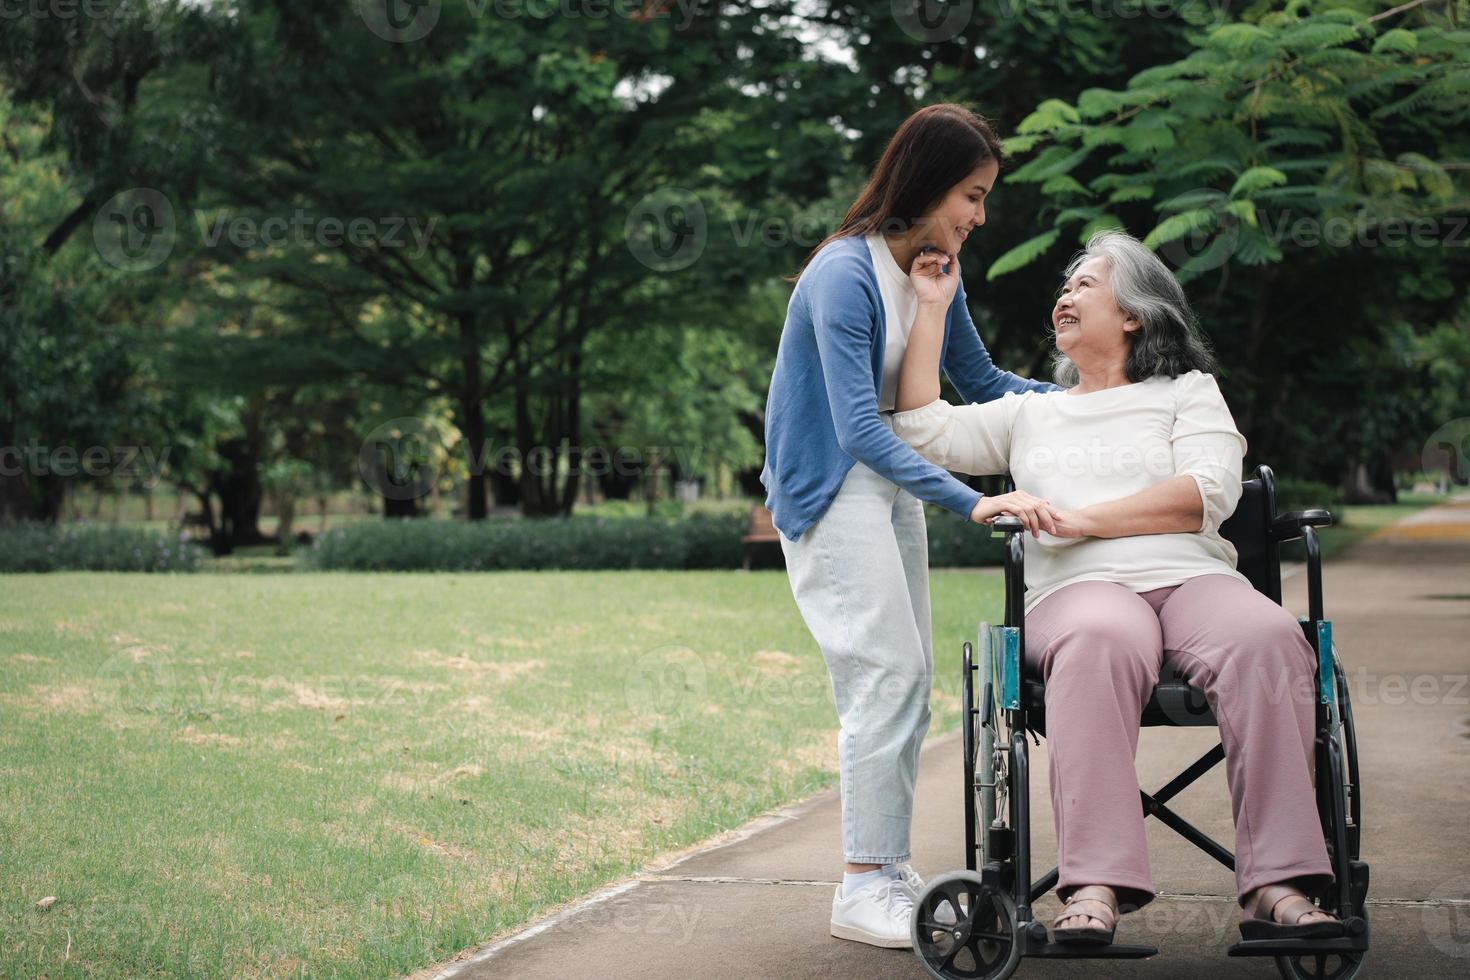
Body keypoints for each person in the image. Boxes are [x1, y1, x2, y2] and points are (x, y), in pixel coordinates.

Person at [890, 228, 1344, 946]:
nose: (1064, 296)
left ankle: (1280, 885)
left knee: (1267, 637)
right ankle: (1093, 883)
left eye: (1085, 285)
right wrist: (933, 305)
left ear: (1133, 314)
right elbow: (917, 428)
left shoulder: (1188, 392)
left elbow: (1207, 492)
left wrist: (1082, 519)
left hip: (1190, 577)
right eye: (1064, 287)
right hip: (1080, 595)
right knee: (1102, 636)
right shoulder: (1029, 411)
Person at [760, 104, 1058, 949]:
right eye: (971, 194)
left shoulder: (932, 269)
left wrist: (1094, 403)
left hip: (887, 489)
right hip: (831, 488)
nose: (979, 216)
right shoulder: (842, 277)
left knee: (909, 674)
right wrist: (972, 499)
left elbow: (980, 377)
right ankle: (862, 884)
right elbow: (858, 425)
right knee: (882, 675)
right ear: (926, 184)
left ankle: (883, 868)